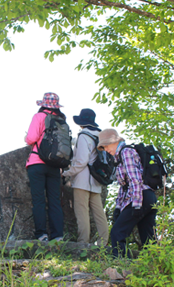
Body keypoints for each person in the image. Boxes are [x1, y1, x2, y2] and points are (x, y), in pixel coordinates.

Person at [97, 129, 157, 258]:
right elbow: (124, 187)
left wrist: (136, 205)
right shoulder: (120, 157)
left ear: (115, 142)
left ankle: (120, 264)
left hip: (141, 197)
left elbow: (135, 180)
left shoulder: (126, 152)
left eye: (106, 145)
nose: (106, 149)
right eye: (103, 147)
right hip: (147, 196)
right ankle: (155, 267)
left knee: (117, 233)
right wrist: (119, 207)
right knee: (148, 238)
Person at [62, 109, 109, 245]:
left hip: (82, 181)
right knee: (99, 214)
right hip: (97, 179)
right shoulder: (100, 136)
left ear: (81, 123)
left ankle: (83, 243)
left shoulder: (83, 136)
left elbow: (81, 161)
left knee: (82, 212)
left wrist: (67, 173)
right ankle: (103, 243)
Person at [25, 92, 64, 242]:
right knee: (55, 201)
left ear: (43, 104)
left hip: (37, 162)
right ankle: (58, 235)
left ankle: (42, 234)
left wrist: (26, 139)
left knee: (39, 200)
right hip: (55, 165)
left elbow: (31, 138)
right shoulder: (61, 119)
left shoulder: (39, 117)